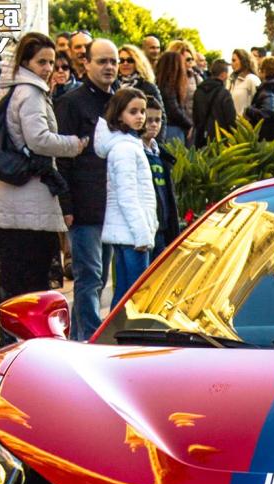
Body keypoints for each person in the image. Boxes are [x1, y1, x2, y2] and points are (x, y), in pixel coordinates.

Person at [0, 32, 86, 346]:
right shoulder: (30, 93)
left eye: (52, 62)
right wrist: (75, 144)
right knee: (33, 283)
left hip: (10, 200)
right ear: (26, 61)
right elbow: (38, 139)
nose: (48, 68)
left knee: (12, 282)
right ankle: (24, 347)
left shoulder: (10, 90)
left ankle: (11, 343)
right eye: (42, 61)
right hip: (27, 204)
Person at [55, 38, 118, 339]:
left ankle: (80, 340)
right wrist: (66, 205)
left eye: (113, 61)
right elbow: (61, 159)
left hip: (111, 207)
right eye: (102, 61)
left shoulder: (119, 103)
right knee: (89, 277)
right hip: (83, 205)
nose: (109, 67)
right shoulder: (71, 102)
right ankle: (89, 341)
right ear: (87, 64)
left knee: (101, 278)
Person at [95, 88, 156, 308]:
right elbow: (127, 195)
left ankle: (115, 337)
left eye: (142, 111)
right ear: (119, 114)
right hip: (132, 234)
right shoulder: (124, 149)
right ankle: (120, 338)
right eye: (133, 111)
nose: (140, 116)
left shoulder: (129, 145)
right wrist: (142, 234)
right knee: (136, 296)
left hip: (127, 232)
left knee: (124, 293)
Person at [141, 96, 181, 260]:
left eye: (157, 120)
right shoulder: (137, 152)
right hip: (147, 228)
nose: (154, 124)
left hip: (163, 227)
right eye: (149, 120)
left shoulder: (161, 154)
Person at [192, 59, 237, 146]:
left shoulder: (199, 90)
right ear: (223, 75)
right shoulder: (224, 93)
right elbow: (231, 119)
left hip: (201, 138)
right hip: (220, 140)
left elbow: (195, 116)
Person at [244, 55, 274, 141]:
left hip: (266, 138)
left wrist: (249, 110)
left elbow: (269, 111)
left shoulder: (268, 89)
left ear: (264, 71)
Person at [155, 51, 193, 145]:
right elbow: (173, 110)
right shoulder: (168, 87)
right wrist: (189, 124)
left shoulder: (159, 84)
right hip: (172, 129)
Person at [227, 49, 260, 117]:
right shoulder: (232, 81)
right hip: (232, 125)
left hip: (246, 125)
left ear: (243, 60)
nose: (232, 63)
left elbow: (259, 104)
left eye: (234, 60)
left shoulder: (252, 79)